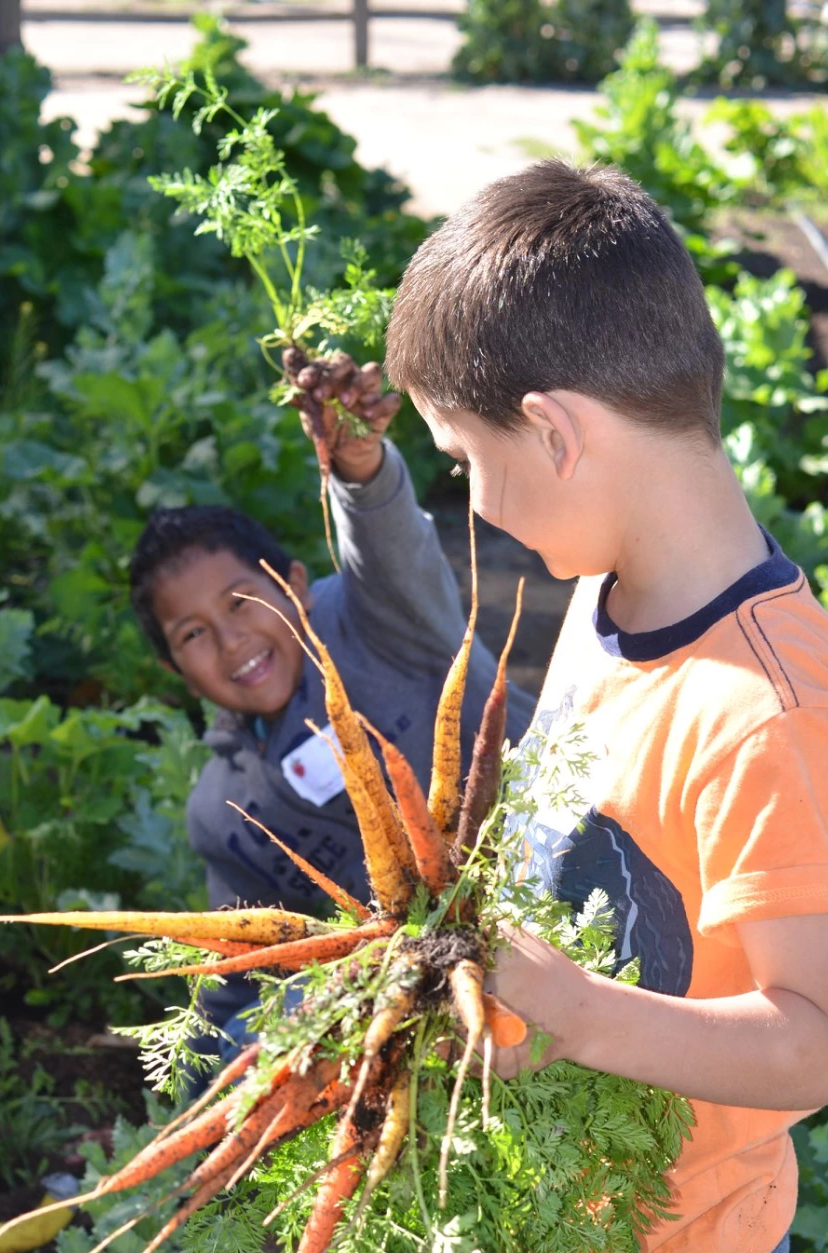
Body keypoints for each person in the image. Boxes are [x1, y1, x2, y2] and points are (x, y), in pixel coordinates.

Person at [384, 159, 828, 1253]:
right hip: (568, 1233)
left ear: (556, 429)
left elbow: (816, 1042)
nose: (469, 500)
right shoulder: (611, 601)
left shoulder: (769, 716)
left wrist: (569, 1005)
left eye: (463, 457)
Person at [130, 356, 534, 1050]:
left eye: (241, 602)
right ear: (173, 668)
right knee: (246, 1041)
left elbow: (387, 542)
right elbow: (240, 973)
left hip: (559, 863)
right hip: (431, 975)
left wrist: (357, 465)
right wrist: (205, 1066)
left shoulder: (375, 615)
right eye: (194, 635)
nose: (232, 644)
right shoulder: (224, 807)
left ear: (294, 585)